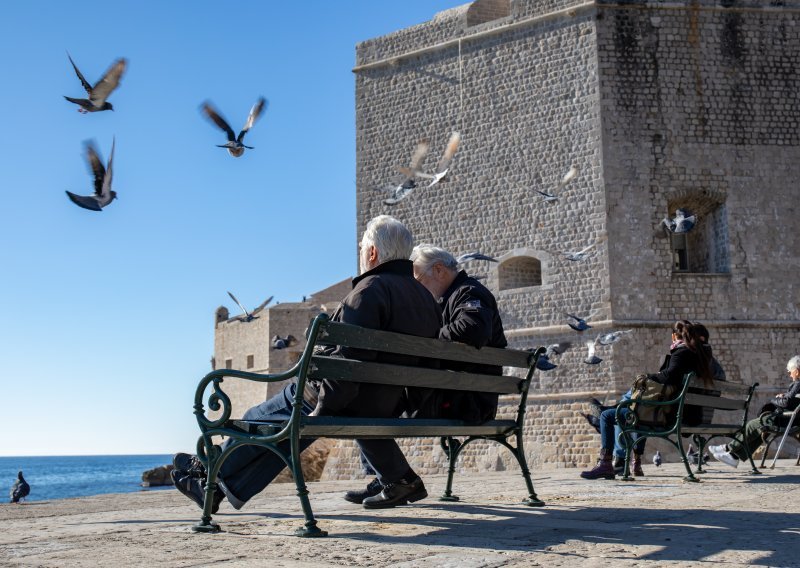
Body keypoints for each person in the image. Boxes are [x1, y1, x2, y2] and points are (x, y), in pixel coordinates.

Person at [171, 215, 442, 511]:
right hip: (384, 402)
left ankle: (207, 469)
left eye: (363, 249)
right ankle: (212, 484)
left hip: (347, 398)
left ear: (373, 252)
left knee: (259, 418)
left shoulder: (370, 290)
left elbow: (347, 363)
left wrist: (322, 408)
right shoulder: (426, 299)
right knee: (285, 431)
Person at [344, 244, 508, 504]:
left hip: (464, 403)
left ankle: (396, 479)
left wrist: (428, 337)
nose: (417, 287)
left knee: (358, 407)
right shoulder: (456, 295)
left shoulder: (468, 292)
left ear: (439, 270)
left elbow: (473, 328)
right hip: (456, 395)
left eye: (418, 279)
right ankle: (388, 475)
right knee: (369, 401)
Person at [582, 321, 724, 475]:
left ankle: (609, 462)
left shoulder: (683, 354)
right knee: (633, 407)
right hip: (689, 414)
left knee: (612, 415)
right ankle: (626, 458)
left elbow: (670, 376)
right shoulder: (706, 361)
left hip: (671, 415)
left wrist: (648, 377)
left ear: (676, 336)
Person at [709, 355, 800, 467]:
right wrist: (784, 396)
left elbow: (786, 402)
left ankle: (728, 448)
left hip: (785, 420)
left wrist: (774, 399)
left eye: (790, 371)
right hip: (791, 419)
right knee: (760, 431)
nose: (789, 374)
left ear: (797, 371)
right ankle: (734, 457)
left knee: (752, 425)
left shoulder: (798, 383)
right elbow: (792, 400)